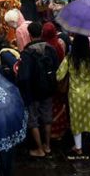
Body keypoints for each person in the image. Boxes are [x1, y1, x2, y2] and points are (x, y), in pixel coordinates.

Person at [18, 22, 58, 158]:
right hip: (47, 90)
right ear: (41, 33)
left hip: (32, 92)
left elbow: (23, 77)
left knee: (33, 120)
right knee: (47, 117)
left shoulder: (27, 54)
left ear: (29, 35)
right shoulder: (50, 49)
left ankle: (39, 149)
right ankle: (48, 146)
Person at [56, 33, 90, 156]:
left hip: (76, 94)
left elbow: (59, 75)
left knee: (76, 120)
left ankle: (79, 147)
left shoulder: (70, 59)